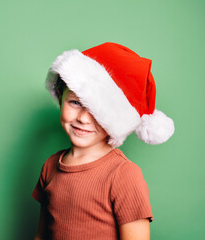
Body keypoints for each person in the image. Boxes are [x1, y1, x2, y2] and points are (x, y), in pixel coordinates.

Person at [31, 42, 175, 240]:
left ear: (116, 120)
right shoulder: (50, 166)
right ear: (60, 98)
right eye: (75, 102)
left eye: (98, 112)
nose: (83, 118)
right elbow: (41, 235)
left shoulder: (123, 175)